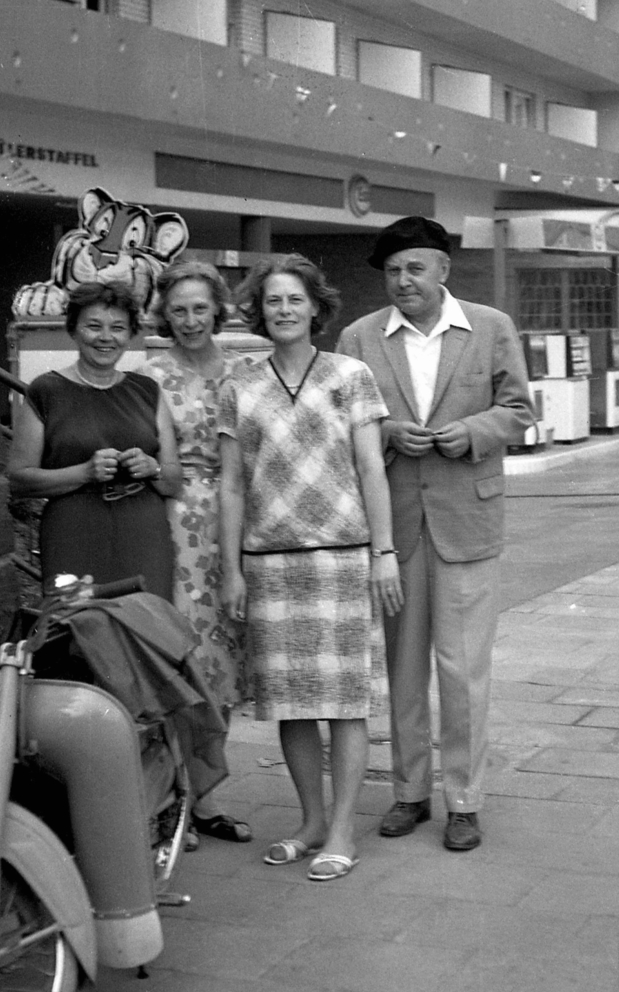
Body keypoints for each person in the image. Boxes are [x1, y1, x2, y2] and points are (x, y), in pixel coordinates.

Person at [337, 216, 534, 853]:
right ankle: (409, 792)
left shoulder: (490, 327)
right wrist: (388, 434)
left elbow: (519, 411)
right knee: (401, 666)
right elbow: (340, 423)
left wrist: (472, 433)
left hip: (467, 520)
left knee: (463, 669)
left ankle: (465, 801)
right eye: (393, 272)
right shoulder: (359, 338)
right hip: (393, 528)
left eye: (415, 269)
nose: (403, 281)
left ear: (443, 270)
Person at [217, 255, 403, 882]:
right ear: (259, 311)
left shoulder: (351, 376)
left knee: (346, 702)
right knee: (293, 704)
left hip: (344, 560)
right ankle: (310, 822)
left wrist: (384, 554)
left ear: (316, 307)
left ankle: (344, 828)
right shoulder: (238, 384)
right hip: (271, 565)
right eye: (273, 301)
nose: (285, 310)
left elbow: (373, 469)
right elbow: (231, 486)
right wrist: (233, 568)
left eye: (295, 299)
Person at [138, 260, 255, 847]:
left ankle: (206, 796)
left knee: (226, 661)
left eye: (200, 308)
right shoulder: (152, 374)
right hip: (178, 522)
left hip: (238, 518)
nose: (189, 320)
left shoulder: (245, 371)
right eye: (178, 310)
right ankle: (172, 798)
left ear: (218, 310)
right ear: (165, 313)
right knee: (184, 657)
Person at [8, 281, 181, 602]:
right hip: (73, 532)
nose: (106, 337)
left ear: (130, 335)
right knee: (78, 632)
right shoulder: (45, 391)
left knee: (149, 629)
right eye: (93, 326)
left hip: (143, 531)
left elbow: (173, 481)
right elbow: (19, 479)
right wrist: (84, 472)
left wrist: (152, 467)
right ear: (73, 329)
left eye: (117, 328)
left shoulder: (147, 391)